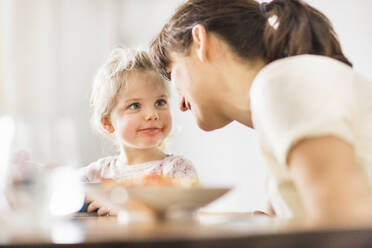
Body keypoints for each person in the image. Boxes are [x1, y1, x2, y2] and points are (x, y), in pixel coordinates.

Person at [150, 0, 372, 225]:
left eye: (172, 72)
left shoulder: (282, 83)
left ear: (200, 41)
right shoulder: (284, 93)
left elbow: (345, 224)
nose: (180, 104)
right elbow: (275, 223)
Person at [79, 48, 199, 216]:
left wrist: (129, 207)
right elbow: (59, 192)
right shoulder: (97, 173)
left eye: (160, 102)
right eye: (135, 106)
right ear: (108, 123)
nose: (152, 114)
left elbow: (185, 216)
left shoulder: (177, 170)